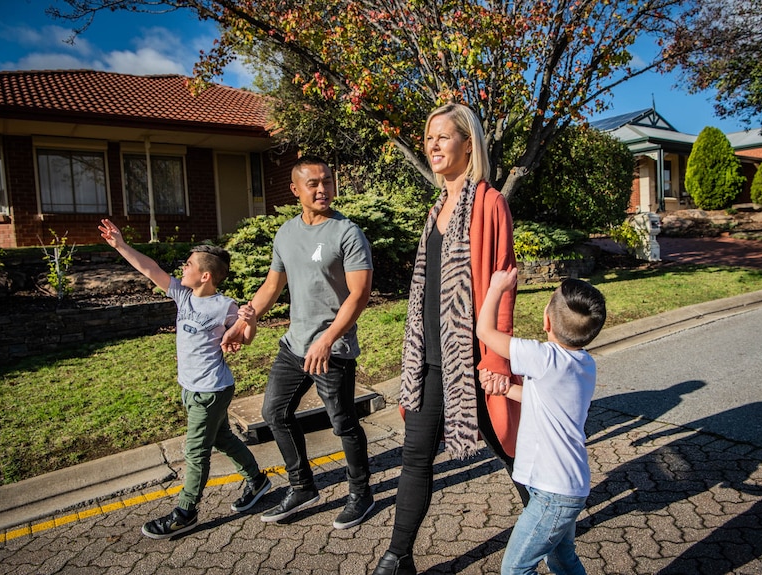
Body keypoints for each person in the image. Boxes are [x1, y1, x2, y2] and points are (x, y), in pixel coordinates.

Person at [372, 103, 524, 575]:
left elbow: (504, 280)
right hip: (430, 358)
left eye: (443, 137)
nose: (433, 145)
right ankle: (398, 558)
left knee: (505, 445)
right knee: (416, 455)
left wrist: (497, 360)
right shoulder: (435, 209)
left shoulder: (489, 202)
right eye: (429, 138)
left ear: (467, 144)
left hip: (474, 356)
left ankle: (550, 517)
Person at [222, 155, 375, 530]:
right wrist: (248, 318)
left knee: (343, 423)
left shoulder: (346, 233)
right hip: (294, 345)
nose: (323, 189)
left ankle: (361, 493)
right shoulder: (286, 233)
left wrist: (328, 340)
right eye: (313, 183)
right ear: (296, 190)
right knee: (275, 412)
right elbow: (273, 286)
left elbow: (359, 294)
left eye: (327, 181)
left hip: (331, 349)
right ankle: (302, 486)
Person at [97, 219, 271, 540]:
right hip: (190, 388)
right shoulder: (182, 294)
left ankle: (185, 512)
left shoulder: (224, 306)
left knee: (195, 451)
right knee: (222, 439)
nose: (182, 267)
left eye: (188, 264)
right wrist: (121, 245)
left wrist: (250, 322)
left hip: (212, 390)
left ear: (205, 275)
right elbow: (150, 269)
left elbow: (244, 339)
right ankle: (258, 481)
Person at [477, 267, 606, 575]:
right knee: (562, 559)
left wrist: (497, 288)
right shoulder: (584, 364)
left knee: (516, 568)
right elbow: (544, 400)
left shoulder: (545, 357)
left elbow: (485, 332)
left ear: (547, 321)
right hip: (567, 485)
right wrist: (507, 389)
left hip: (553, 493)